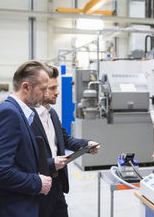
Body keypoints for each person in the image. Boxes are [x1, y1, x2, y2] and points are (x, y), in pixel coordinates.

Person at [0, 61, 53, 217]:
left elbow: (20, 160)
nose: (46, 95)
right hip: (9, 209)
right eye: (43, 89)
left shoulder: (20, 114)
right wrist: (37, 182)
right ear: (26, 87)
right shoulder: (8, 114)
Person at [31, 65, 100, 217]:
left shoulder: (52, 113)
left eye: (57, 87)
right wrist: (51, 163)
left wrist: (86, 145)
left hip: (57, 184)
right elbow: (26, 158)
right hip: (39, 185)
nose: (57, 92)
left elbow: (66, 140)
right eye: (52, 87)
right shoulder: (28, 118)